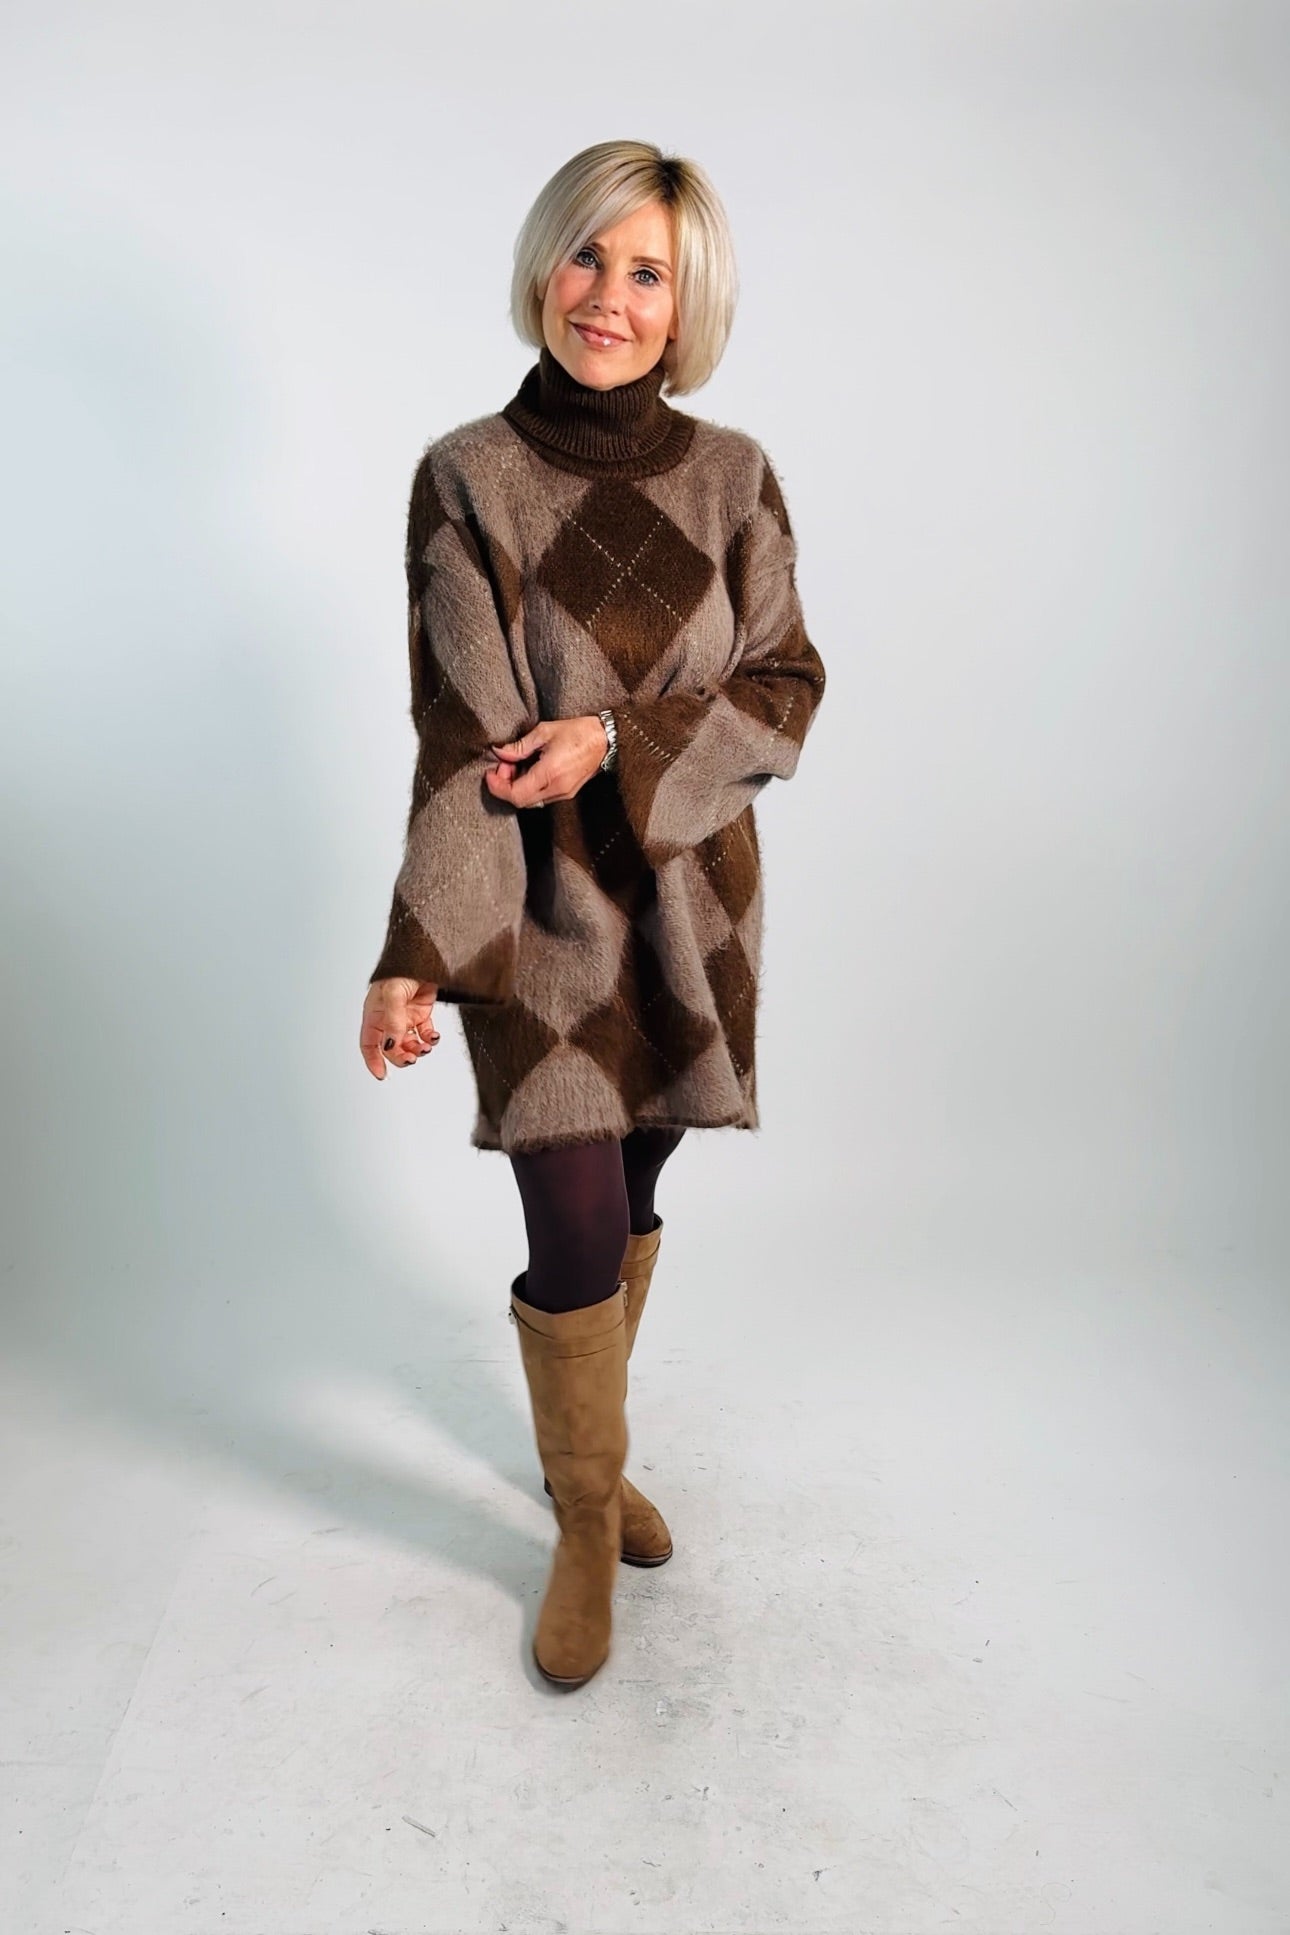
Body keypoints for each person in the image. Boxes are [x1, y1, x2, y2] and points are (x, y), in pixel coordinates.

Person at [358, 139, 826, 1689]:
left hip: (693, 915)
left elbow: (783, 689)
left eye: (647, 273)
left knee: (628, 1196)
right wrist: (418, 953)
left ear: (687, 303)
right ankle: (579, 1522)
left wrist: (616, 737)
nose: (607, 297)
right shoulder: (468, 478)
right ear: (541, 265)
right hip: (538, 911)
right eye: (586, 256)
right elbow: (458, 738)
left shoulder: (733, 477)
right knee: (566, 1222)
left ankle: (594, 1456)